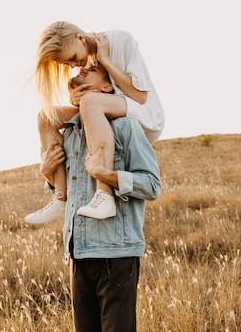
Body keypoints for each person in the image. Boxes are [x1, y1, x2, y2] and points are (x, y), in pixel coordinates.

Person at [38, 75, 162, 331]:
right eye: (74, 78)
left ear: (106, 87)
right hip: (77, 253)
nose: (77, 75)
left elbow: (152, 185)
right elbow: (74, 190)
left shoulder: (126, 127)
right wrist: (47, 173)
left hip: (115, 254)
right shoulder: (70, 133)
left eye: (88, 72)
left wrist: (107, 176)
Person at [24, 21, 165, 224]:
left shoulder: (119, 40)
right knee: (47, 116)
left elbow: (140, 96)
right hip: (108, 110)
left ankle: (104, 194)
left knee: (90, 102)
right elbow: (96, 96)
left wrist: (106, 61)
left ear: (80, 38)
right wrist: (75, 99)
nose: (74, 66)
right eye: (67, 64)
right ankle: (60, 199)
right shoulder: (87, 61)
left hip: (145, 114)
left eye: (72, 58)